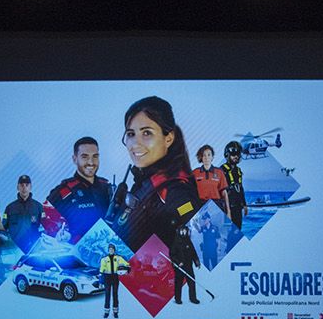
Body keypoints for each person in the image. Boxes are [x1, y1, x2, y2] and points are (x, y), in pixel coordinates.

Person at [109, 96, 199, 251]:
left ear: (168, 138)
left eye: (146, 133)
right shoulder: (144, 183)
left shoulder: (176, 191)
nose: (135, 143)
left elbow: (221, 253)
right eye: (131, 134)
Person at [46, 137, 113, 241]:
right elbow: (45, 220)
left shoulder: (108, 188)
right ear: (74, 159)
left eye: (95, 156)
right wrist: (58, 234)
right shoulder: (63, 191)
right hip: (77, 253)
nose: (91, 162)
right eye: (85, 157)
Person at [3, 174, 43, 249]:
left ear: (30, 187)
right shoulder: (10, 208)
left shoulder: (38, 207)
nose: (24, 187)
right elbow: (3, 229)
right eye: (21, 185)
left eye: (27, 185)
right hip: (15, 250)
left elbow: (45, 228)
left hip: (33, 249)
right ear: (18, 187)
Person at [191, 144, 231, 217]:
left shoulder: (219, 172)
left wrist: (228, 211)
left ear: (212, 157)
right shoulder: (195, 173)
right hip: (200, 207)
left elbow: (224, 193)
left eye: (209, 155)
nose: (206, 158)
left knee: (216, 228)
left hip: (216, 207)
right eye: (204, 155)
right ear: (201, 157)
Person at [170, 223, 202, 304]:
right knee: (178, 283)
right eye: (182, 231)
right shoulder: (175, 242)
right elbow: (172, 254)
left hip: (188, 266)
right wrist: (178, 262)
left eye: (185, 231)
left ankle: (193, 298)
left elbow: (193, 252)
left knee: (191, 282)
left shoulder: (188, 241)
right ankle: (178, 299)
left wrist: (197, 262)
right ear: (179, 232)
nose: (184, 232)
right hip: (180, 267)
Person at [221, 140, 246, 230]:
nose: (236, 157)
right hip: (227, 207)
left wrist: (245, 204)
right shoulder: (221, 170)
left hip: (238, 207)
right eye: (233, 154)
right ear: (227, 155)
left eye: (238, 155)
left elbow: (240, 188)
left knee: (238, 229)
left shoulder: (238, 171)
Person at [99, 242, 128, 319]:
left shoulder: (118, 258)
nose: (111, 250)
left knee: (115, 295)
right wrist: (101, 281)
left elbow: (126, 264)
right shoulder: (104, 259)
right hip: (107, 278)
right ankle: (106, 312)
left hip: (115, 277)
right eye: (110, 249)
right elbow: (101, 271)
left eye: (112, 249)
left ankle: (115, 312)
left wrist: (128, 268)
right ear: (108, 250)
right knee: (107, 295)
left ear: (114, 250)